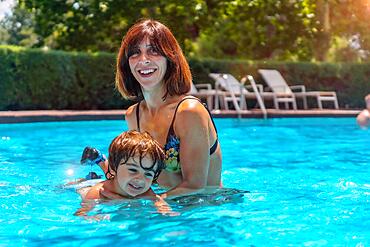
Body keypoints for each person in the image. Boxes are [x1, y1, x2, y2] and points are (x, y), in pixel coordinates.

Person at [108, 19, 222, 199]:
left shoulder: (189, 112)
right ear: (127, 64)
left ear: (171, 58)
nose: (143, 60)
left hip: (203, 212)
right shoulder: (133, 116)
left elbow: (195, 185)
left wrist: (152, 205)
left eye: (153, 51)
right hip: (165, 207)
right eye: (135, 53)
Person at [80, 130, 165, 200]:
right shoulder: (97, 194)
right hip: (87, 187)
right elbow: (83, 216)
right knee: (82, 186)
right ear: (114, 166)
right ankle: (96, 166)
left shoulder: (144, 191)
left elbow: (167, 212)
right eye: (133, 170)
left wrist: (125, 202)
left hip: (116, 181)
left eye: (148, 174)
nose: (140, 179)